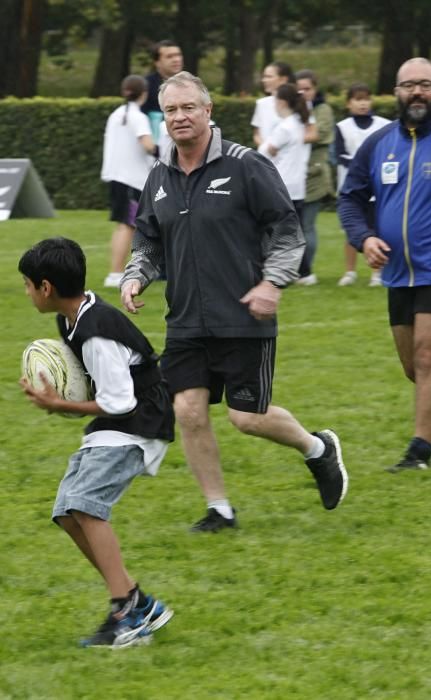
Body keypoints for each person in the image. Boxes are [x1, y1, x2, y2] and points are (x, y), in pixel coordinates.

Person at [120, 71, 348, 533]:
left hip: (243, 315)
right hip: (185, 319)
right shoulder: (159, 176)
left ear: (208, 112)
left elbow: (287, 230)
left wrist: (272, 283)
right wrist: (135, 276)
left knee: (247, 418)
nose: (180, 117)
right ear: (162, 118)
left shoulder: (246, 166)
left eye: (189, 108)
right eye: (171, 110)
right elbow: (148, 239)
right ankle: (219, 509)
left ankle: (317, 448)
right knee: (187, 409)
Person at [18, 237, 175, 647]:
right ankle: (139, 604)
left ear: (46, 287)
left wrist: (57, 404)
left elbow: (119, 401)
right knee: (67, 512)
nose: (27, 291)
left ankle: (124, 612)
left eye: (28, 284)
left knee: (87, 506)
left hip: (139, 422)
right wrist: (60, 402)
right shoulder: (70, 319)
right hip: (115, 422)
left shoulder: (96, 332)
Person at [338, 57, 431, 472]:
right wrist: (365, 237)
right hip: (397, 273)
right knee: (416, 368)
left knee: (429, 359)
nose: (417, 92)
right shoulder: (377, 144)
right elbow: (350, 198)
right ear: (395, 92)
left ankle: (419, 453)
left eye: (425, 84)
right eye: (409, 85)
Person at [101, 74, 156, 288]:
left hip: (119, 177)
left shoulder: (116, 114)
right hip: (131, 179)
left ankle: (133, 269)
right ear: (144, 93)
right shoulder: (137, 117)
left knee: (127, 224)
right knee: (127, 225)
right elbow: (148, 145)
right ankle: (115, 274)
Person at [335, 83, 391, 287]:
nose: (362, 104)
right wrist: (362, 166)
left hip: (379, 189)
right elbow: (339, 155)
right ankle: (350, 271)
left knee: (378, 231)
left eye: (366, 99)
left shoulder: (384, 125)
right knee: (352, 231)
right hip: (351, 188)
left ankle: (377, 272)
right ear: (349, 103)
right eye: (358, 99)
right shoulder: (342, 126)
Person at [295, 69, 335, 286]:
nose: (302, 93)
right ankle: (295, 269)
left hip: (314, 176)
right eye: (298, 89)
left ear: (315, 89)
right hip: (291, 176)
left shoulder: (323, 110)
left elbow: (317, 134)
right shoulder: (291, 111)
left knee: (306, 226)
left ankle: (306, 271)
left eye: (307, 89)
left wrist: (286, 136)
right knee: (291, 227)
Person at [258, 83, 310, 216]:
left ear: (281, 102)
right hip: (296, 187)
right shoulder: (298, 123)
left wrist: (269, 149)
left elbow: (264, 153)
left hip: (283, 186)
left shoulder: (284, 128)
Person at [140, 40, 184, 141]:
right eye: (170, 56)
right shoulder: (146, 86)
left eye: (178, 55)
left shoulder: (190, 84)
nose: (176, 59)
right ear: (157, 62)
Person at [251, 61, 296, 146]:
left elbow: (311, 134)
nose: (264, 80)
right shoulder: (261, 104)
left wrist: (278, 145)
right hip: (265, 157)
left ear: (283, 79)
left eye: (269, 77)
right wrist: (266, 148)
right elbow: (257, 134)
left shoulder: (299, 101)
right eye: (264, 76)